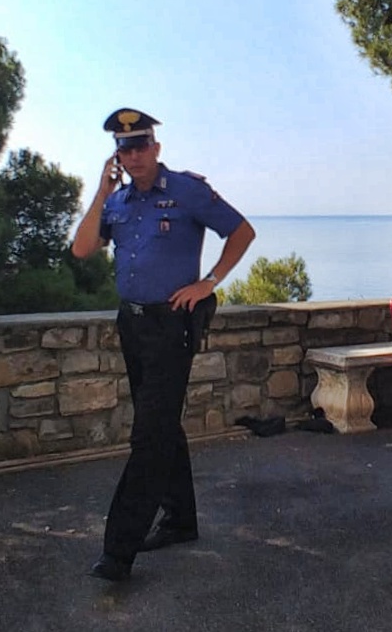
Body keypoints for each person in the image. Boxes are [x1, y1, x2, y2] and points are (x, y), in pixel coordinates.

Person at [71, 108, 256, 582]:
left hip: (173, 324)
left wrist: (210, 282)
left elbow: (241, 231)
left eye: (139, 146)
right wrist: (101, 191)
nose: (132, 155)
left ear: (155, 147)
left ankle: (118, 552)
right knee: (162, 425)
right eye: (123, 149)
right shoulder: (118, 200)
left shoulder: (187, 191)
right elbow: (82, 248)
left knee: (148, 437)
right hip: (131, 325)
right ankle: (180, 519)